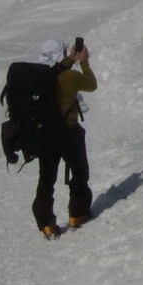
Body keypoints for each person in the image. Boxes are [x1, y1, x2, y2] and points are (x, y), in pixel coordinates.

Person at [32, 37, 96, 237]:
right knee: (79, 172)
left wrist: (69, 60)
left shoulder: (37, 78)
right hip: (69, 132)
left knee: (46, 180)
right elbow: (91, 84)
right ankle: (77, 214)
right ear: (62, 54)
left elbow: (54, 71)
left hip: (45, 136)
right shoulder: (69, 76)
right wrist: (83, 60)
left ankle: (46, 224)